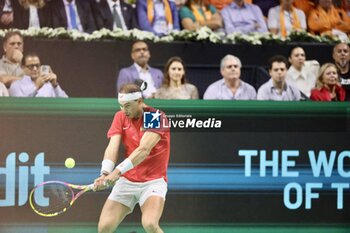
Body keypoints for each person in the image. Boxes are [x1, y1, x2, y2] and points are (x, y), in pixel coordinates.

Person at [94, 83, 170, 233]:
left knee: (149, 224)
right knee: (104, 228)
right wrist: (104, 173)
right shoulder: (120, 116)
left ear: (140, 101)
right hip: (127, 181)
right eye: (121, 105)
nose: (124, 110)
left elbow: (143, 150)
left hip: (152, 181)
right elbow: (112, 146)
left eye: (127, 105)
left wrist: (116, 172)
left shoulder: (155, 116)